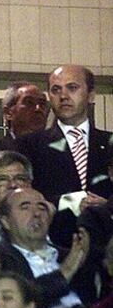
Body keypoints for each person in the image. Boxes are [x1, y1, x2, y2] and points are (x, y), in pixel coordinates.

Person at [17, 64, 113, 209]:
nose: (63, 96)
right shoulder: (29, 146)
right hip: (54, 229)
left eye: (72, 88)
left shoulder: (109, 143)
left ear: (91, 95)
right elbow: (21, 198)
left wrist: (108, 207)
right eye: (56, 90)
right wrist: (71, 203)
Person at [0, 187, 89, 308]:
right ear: (6, 222)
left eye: (42, 207)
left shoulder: (70, 256)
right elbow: (19, 301)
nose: (36, 213)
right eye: (25, 207)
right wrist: (64, 273)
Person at [0, 82, 48, 152]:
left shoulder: (55, 153)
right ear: (8, 113)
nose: (38, 108)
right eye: (29, 102)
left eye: (42, 103)